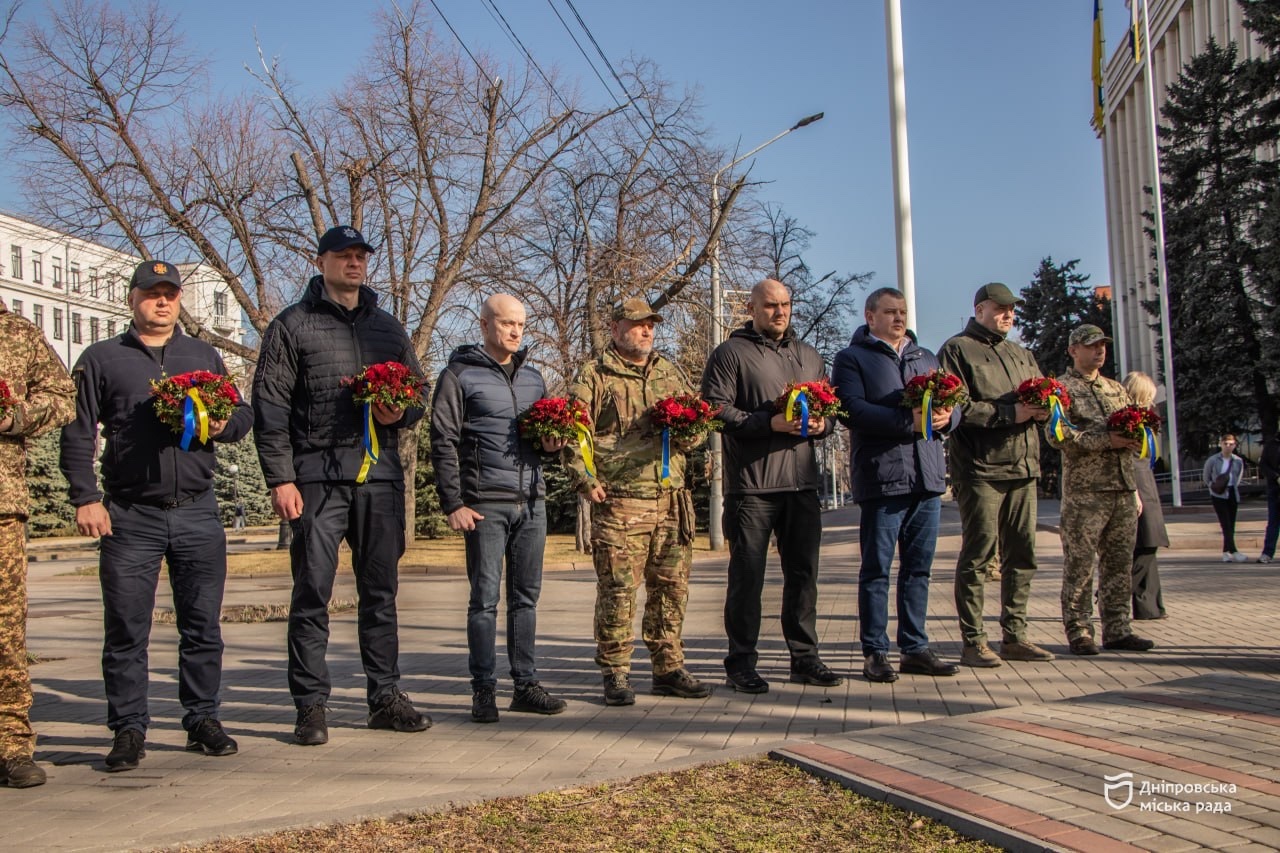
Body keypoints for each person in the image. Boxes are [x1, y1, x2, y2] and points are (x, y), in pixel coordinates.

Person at [60, 260, 253, 771]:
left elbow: (244, 415)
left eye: (170, 294)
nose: (161, 302)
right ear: (132, 299)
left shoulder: (203, 354)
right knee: (126, 628)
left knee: (202, 627)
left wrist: (218, 422)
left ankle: (202, 719)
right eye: (151, 293)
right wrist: (85, 496)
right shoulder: (102, 359)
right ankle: (128, 729)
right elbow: (78, 431)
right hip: (130, 516)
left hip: (197, 512)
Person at [253, 225, 431, 745]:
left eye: (360, 256)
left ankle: (385, 697)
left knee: (381, 592)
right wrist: (281, 477)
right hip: (316, 479)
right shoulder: (291, 325)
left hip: (379, 478)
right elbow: (270, 407)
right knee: (312, 592)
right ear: (322, 261)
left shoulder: (388, 328)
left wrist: (399, 409)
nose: (353, 263)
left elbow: (416, 393)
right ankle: (310, 705)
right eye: (343, 256)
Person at [430, 294, 568, 723]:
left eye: (521, 325)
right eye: (506, 323)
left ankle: (525, 685)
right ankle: (483, 690)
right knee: (484, 601)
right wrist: (453, 502)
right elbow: (443, 441)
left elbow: (540, 443)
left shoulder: (533, 379)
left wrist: (551, 446)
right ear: (485, 324)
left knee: (526, 599)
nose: (514, 332)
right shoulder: (458, 374)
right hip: (484, 504)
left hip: (531, 502)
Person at [567, 297, 711, 706]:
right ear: (615, 329)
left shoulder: (669, 371)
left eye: (650, 324)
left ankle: (668, 667)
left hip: (671, 500)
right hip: (620, 502)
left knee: (671, 589)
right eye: (637, 324)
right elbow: (576, 432)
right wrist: (584, 479)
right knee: (618, 591)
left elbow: (696, 427)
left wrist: (688, 430)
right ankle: (615, 672)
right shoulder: (595, 374)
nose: (646, 331)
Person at [700, 278, 841, 694]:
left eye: (785, 305)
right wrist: (768, 422)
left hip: (801, 486)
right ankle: (741, 662)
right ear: (752, 308)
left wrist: (822, 424)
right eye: (770, 306)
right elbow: (716, 410)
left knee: (804, 576)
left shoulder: (808, 355)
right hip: (753, 487)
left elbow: (832, 410)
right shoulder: (731, 354)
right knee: (748, 578)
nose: (779, 312)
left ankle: (804, 658)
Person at [833, 287, 960, 684]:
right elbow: (851, 410)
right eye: (890, 312)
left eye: (902, 311)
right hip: (884, 479)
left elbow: (954, 406)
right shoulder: (852, 358)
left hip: (927, 477)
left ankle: (915, 648)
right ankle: (875, 652)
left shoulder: (925, 357)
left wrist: (946, 419)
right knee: (877, 571)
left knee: (919, 569)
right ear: (870, 317)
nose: (899, 318)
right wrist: (911, 422)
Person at [938, 283, 1056, 668]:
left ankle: (1015, 636)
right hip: (981, 469)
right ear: (980, 309)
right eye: (1001, 308)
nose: (1008, 315)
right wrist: (1009, 414)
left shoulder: (1021, 354)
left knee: (1022, 553)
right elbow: (955, 408)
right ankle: (974, 641)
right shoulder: (957, 350)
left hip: (1023, 468)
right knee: (979, 554)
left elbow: (1040, 396)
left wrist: (1043, 409)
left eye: (1012, 310)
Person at [0, 297, 75, 789]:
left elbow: (64, 396)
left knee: (5, 632)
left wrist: (14, 416)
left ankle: (11, 744)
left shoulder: (16, 332)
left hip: (1, 506)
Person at [1046, 324, 1154, 655]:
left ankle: (1118, 628)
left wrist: (1137, 439)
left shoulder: (1115, 389)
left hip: (1121, 487)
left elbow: (1131, 428)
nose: (1099, 351)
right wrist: (1106, 441)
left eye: (1103, 345)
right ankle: (1079, 630)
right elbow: (1057, 435)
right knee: (1080, 563)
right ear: (1073, 350)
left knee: (1119, 562)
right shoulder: (1061, 389)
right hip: (1086, 493)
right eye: (1092, 345)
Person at [1123, 372, 1169, 620]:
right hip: (1137, 485)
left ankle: (1150, 606)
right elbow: (1127, 459)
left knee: (1149, 546)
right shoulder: (1127, 420)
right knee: (1146, 546)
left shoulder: (1144, 419)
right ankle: (1115, 593)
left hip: (1146, 483)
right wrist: (1133, 492)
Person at [1203, 434, 1248, 563]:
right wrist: (1213, 487)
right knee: (1225, 524)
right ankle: (1234, 551)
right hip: (1218, 494)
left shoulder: (1238, 461)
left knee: (1231, 524)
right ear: (1220, 444)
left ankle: (1226, 552)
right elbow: (1206, 477)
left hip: (1232, 493)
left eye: (1231, 444)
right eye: (1225, 443)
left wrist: (1232, 487)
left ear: (1235, 445)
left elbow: (1238, 477)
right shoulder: (1213, 460)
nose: (1228, 446)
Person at [1259, 435, 1279, 564]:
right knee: (1273, 523)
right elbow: (1263, 465)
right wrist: (1276, 477)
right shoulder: (1272, 444)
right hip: (1275, 489)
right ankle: (1267, 553)